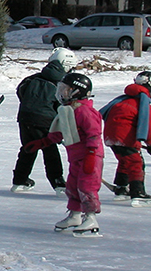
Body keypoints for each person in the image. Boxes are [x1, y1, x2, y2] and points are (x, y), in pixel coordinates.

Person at [24, 72, 104, 235]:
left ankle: (90, 218)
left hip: (90, 156)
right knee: (73, 186)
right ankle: (75, 215)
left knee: (87, 186)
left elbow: (94, 134)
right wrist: (43, 142)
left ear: (77, 92)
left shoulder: (84, 111)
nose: (62, 93)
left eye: (66, 90)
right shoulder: (68, 110)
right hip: (76, 157)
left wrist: (90, 154)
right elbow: (61, 132)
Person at [10, 47, 76, 193]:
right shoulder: (61, 83)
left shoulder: (33, 78)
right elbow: (62, 105)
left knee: (28, 148)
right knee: (50, 149)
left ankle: (19, 181)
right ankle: (58, 183)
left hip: (25, 118)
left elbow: (21, 90)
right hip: (45, 121)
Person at [100, 70, 151, 206]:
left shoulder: (124, 99)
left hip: (111, 137)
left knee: (124, 161)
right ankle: (137, 192)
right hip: (125, 138)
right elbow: (148, 127)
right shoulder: (143, 104)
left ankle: (121, 188)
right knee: (136, 163)